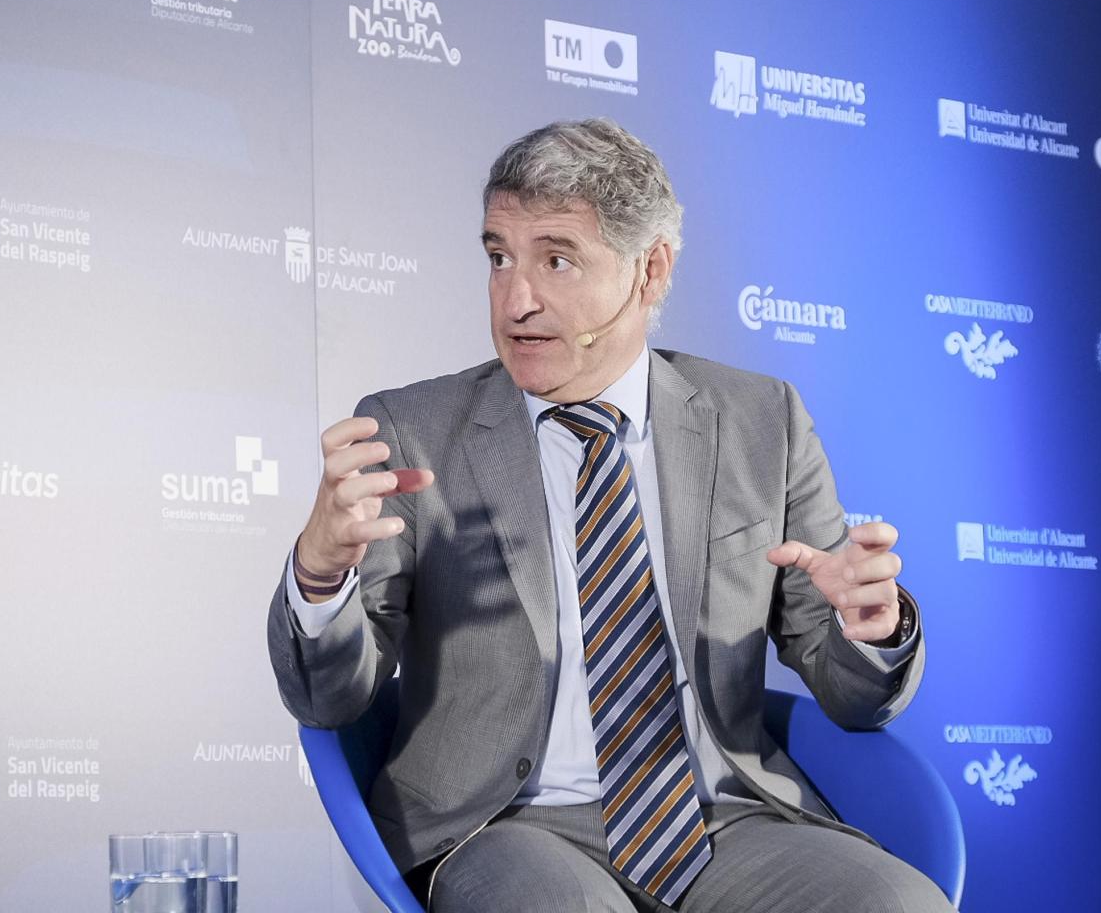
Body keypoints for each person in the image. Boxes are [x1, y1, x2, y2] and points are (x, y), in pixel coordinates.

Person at [266, 118, 950, 912]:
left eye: (556, 259)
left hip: (724, 819)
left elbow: (853, 697)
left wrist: (871, 631)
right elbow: (328, 703)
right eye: (499, 257)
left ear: (649, 270)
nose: (516, 300)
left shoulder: (763, 421)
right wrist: (320, 579)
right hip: (505, 826)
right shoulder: (412, 432)